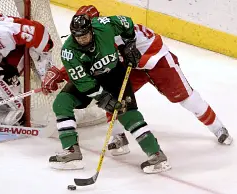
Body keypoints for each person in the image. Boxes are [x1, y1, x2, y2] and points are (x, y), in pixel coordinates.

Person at [73, 5, 233, 157]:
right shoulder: (95, 38)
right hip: (132, 66)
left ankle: (218, 128)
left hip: (156, 60)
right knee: (113, 96)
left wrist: (136, 56)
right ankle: (118, 136)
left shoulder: (111, 30)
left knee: (186, 98)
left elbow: (155, 42)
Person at [42, 13, 172, 174]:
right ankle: (71, 152)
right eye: (77, 36)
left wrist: (129, 43)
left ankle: (156, 154)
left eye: (85, 35)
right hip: (89, 81)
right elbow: (84, 83)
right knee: (62, 103)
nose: (81, 39)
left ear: (91, 30)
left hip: (114, 74)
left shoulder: (104, 26)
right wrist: (104, 98)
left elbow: (127, 22)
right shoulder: (69, 52)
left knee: (127, 113)